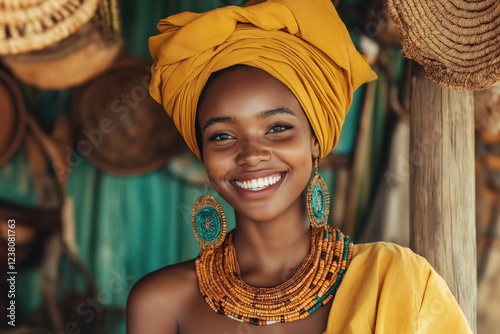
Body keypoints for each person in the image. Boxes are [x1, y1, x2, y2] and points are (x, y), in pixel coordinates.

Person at [126, 0, 473, 333]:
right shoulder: (162, 303)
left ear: (315, 141)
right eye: (222, 136)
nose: (251, 154)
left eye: (277, 128)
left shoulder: (393, 282)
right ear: (203, 154)